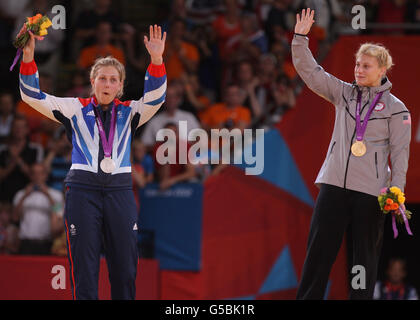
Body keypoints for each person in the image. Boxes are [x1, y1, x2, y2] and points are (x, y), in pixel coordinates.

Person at [17, 24, 167, 299]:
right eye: (102, 78)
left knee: (124, 269)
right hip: (82, 192)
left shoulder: (132, 112)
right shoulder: (74, 108)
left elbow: (156, 98)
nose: (107, 84)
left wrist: (156, 60)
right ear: (92, 81)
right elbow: (31, 95)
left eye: (113, 80)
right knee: (84, 269)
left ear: (121, 86)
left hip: (120, 192)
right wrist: (28, 57)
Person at [292, 9, 411, 300]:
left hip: (370, 192)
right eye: (357, 64)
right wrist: (299, 38)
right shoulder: (343, 93)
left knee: (363, 262)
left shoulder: (397, 109)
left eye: (366, 66)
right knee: (318, 254)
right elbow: (311, 73)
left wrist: (396, 189)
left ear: (383, 70)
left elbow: (400, 152)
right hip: (333, 184)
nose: (358, 70)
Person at [12, 163, 64, 255]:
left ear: (46, 175)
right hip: (25, 243)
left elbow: (60, 215)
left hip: (46, 243)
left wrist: (48, 196)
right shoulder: (20, 194)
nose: (37, 176)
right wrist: (24, 196)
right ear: (30, 175)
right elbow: (15, 217)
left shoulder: (56, 195)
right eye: (34, 173)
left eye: (40, 173)